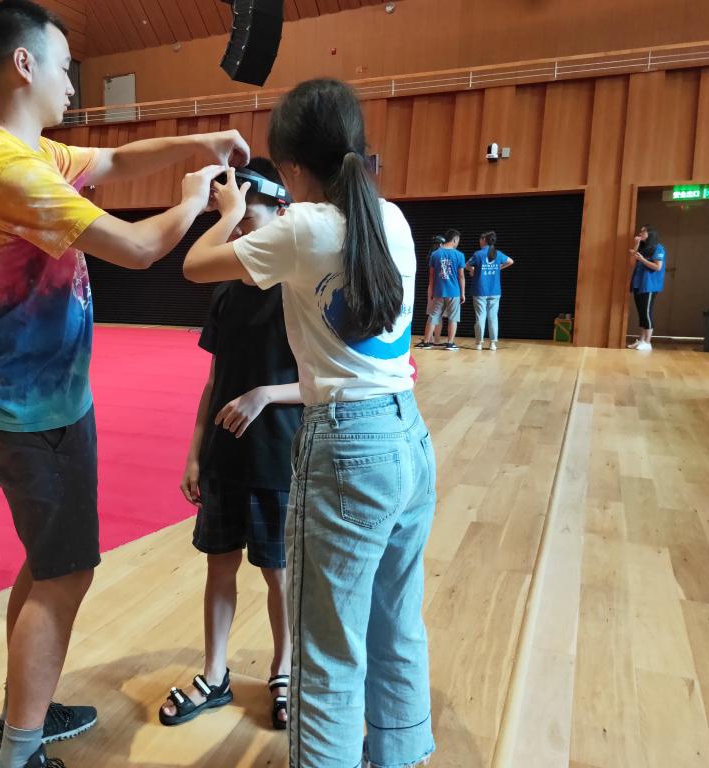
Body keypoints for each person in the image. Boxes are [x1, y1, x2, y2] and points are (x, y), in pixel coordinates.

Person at [0, 3, 249, 766]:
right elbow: (136, 246)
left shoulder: (23, 151)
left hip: (36, 401)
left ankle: (21, 717)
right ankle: (19, 751)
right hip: (38, 414)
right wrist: (196, 201)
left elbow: (119, 163)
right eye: (64, 68)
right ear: (24, 65)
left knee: (47, 562)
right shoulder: (10, 168)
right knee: (66, 573)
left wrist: (199, 142)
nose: (71, 85)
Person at [184, 78, 437, 768]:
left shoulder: (303, 229)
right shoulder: (393, 220)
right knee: (396, 626)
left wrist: (228, 210)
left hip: (348, 446)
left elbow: (196, 265)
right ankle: (401, 756)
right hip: (408, 437)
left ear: (292, 167)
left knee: (326, 652)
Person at [159, 158, 299, 732]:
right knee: (220, 566)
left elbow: (325, 381)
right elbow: (214, 381)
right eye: (232, 222)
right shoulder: (225, 293)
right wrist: (196, 452)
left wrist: (266, 395)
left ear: (283, 214)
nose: (239, 233)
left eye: (248, 219)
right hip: (225, 457)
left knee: (278, 572)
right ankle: (215, 674)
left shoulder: (298, 290)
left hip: (278, 457)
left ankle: (284, 670)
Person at [465, 231, 513, 350]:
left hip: (480, 290)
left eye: (480, 239)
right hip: (495, 291)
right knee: (493, 317)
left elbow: (466, 265)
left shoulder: (478, 254)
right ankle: (493, 344)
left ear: (484, 240)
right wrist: (499, 267)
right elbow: (510, 261)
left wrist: (473, 270)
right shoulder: (498, 253)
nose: (479, 241)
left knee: (480, 316)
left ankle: (479, 343)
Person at [417, 229, 465, 350]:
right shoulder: (459, 255)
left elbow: (431, 276)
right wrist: (462, 293)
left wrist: (432, 291)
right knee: (453, 318)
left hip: (439, 291)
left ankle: (426, 342)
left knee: (433, 316)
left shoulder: (435, 254)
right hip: (454, 292)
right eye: (458, 241)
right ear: (454, 240)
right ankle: (450, 343)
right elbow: (461, 276)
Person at [628, 225, 665, 351]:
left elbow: (657, 267)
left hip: (649, 285)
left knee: (647, 313)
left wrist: (642, 259)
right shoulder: (641, 247)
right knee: (642, 313)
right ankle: (641, 340)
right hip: (638, 284)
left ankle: (648, 342)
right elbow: (631, 263)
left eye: (643, 231)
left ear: (650, 234)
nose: (640, 233)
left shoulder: (658, 248)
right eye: (641, 231)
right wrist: (636, 245)